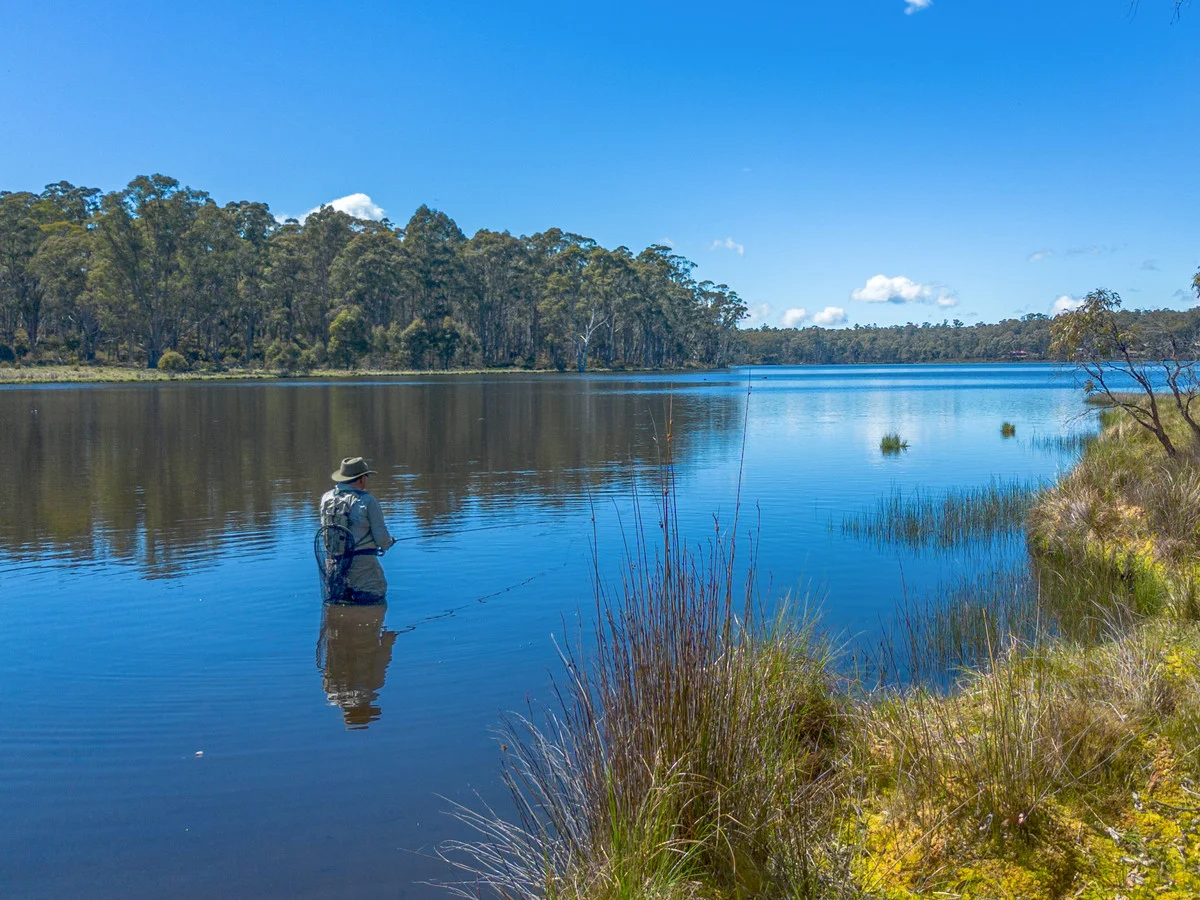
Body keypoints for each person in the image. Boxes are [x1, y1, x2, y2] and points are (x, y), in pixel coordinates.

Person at [320, 457, 396, 602]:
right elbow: (382, 539)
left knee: (340, 608)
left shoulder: (326, 498)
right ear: (361, 479)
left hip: (335, 567)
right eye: (366, 477)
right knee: (372, 602)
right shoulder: (367, 500)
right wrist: (389, 542)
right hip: (364, 569)